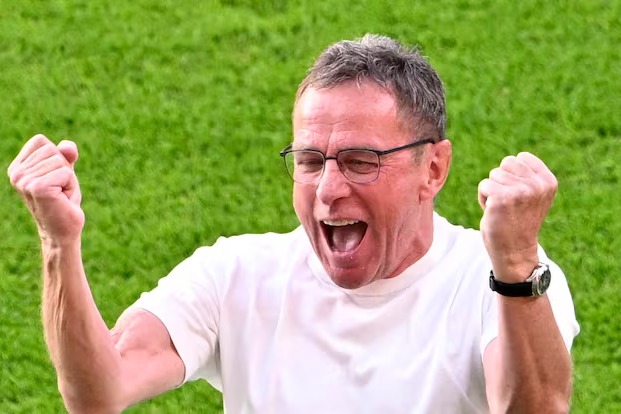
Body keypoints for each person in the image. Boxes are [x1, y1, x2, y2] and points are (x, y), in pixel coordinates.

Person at [8, 34, 579, 413]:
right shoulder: (235, 275)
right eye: (309, 161)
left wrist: (514, 264)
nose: (328, 189)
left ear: (432, 168)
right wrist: (59, 243)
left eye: (360, 161)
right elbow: (101, 391)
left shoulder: (498, 283)